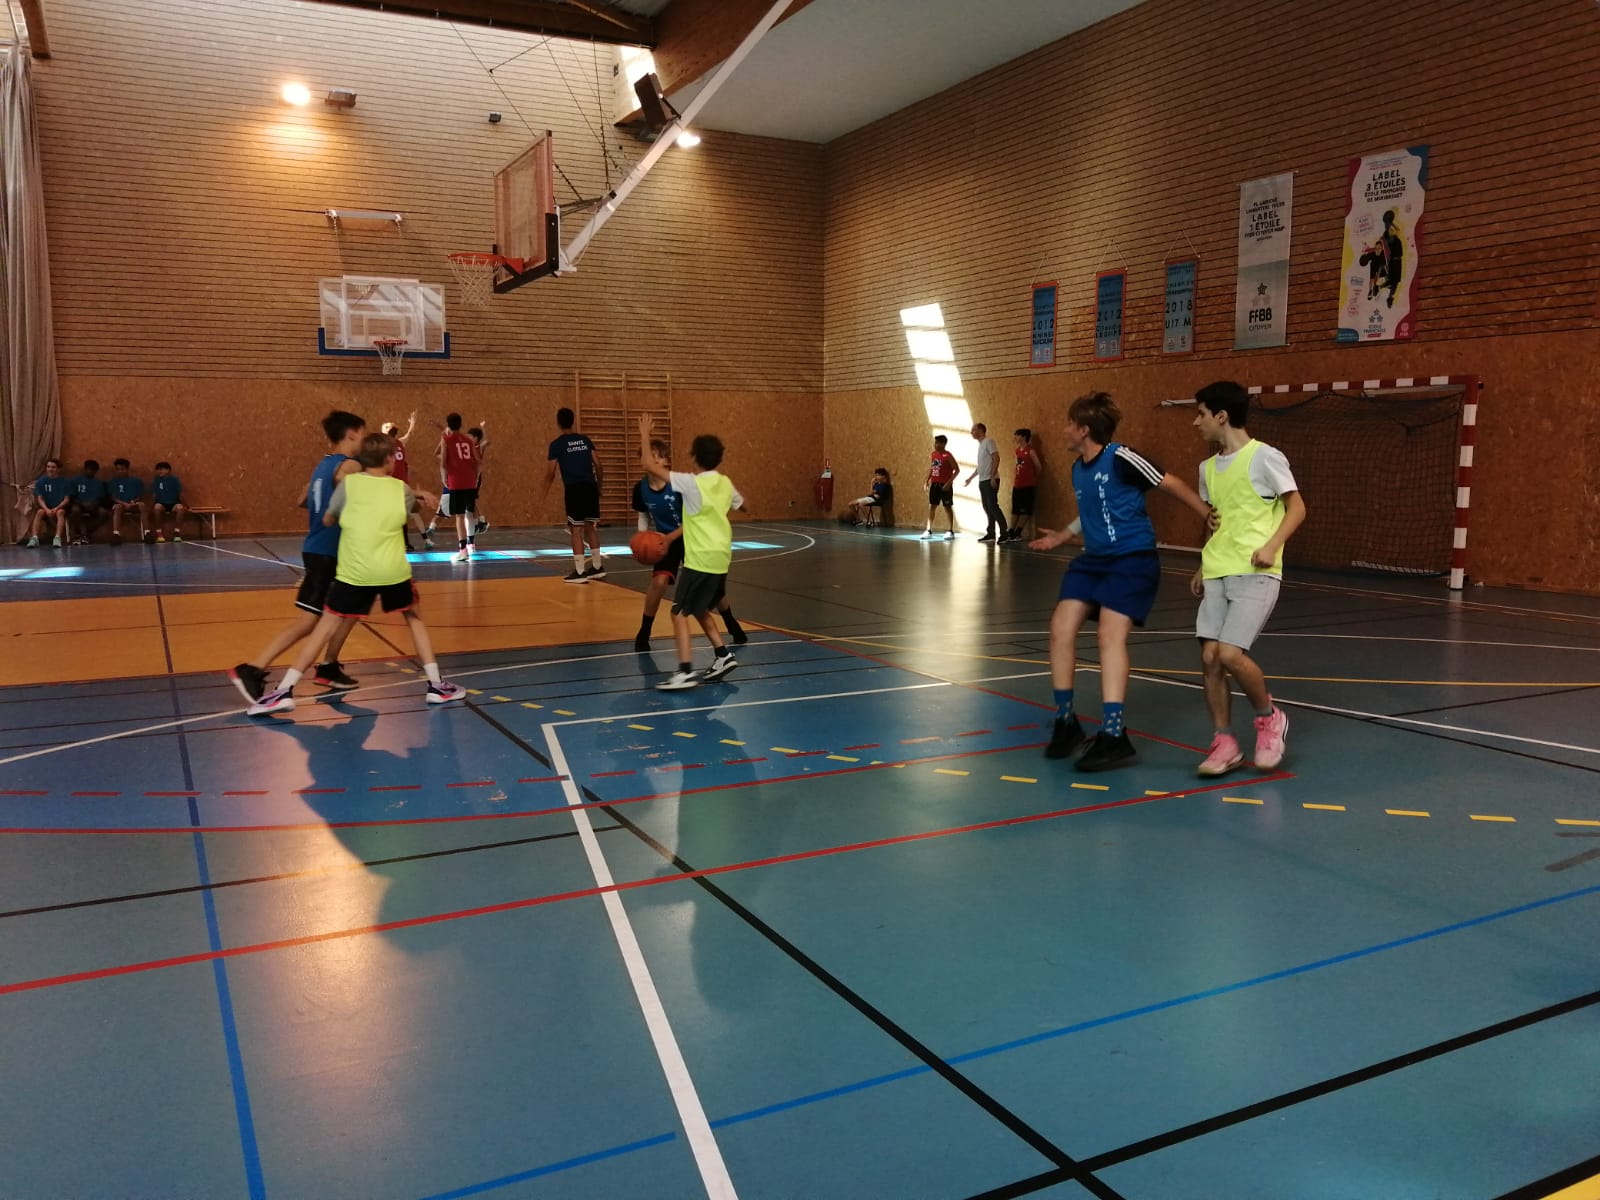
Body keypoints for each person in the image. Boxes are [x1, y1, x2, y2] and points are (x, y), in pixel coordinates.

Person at [1029, 391, 1213, 772]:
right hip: (1093, 562)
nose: (1064, 429)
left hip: (1132, 559)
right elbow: (1093, 509)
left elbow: (1169, 483)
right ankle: (1066, 722)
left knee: (1108, 636)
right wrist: (1063, 535)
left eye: (1069, 423)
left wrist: (1206, 514)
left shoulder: (1121, 457)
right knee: (1060, 628)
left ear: (1084, 429)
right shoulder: (1078, 467)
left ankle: (1114, 735)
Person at [248, 430, 465, 714]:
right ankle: (436, 685)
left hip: (354, 572)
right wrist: (419, 495)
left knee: (325, 626)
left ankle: (284, 690)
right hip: (392, 572)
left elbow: (328, 519)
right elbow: (409, 507)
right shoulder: (400, 489)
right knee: (414, 618)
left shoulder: (348, 486)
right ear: (389, 459)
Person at [1189, 380, 1306, 775]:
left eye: (1201, 414)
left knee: (1229, 654)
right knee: (1209, 657)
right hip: (1217, 570)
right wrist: (1203, 564)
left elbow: (1297, 508)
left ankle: (1270, 718)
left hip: (1256, 572)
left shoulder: (1265, 457)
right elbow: (1218, 522)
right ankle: (1224, 742)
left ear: (1222, 416)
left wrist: (1272, 546)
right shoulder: (1207, 469)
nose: (1196, 422)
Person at [229, 411, 367, 705]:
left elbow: (301, 499)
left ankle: (329, 666)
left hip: (324, 549)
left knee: (351, 608)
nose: (364, 440)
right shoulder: (350, 465)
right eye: (363, 434)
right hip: (327, 551)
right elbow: (351, 487)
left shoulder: (322, 465)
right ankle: (252, 668)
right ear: (352, 433)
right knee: (309, 621)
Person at [638, 415, 743, 690]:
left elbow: (648, 464)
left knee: (678, 612)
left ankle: (684, 671)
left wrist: (644, 433)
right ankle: (723, 655)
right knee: (698, 607)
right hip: (722, 557)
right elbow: (740, 503)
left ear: (694, 458)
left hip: (701, 559)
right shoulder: (725, 482)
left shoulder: (690, 483)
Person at [544, 408, 604, 583]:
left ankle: (580, 572)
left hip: (575, 489)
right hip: (590, 486)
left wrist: (544, 490)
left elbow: (550, 472)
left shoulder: (557, 445)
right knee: (590, 527)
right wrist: (599, 486)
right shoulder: (585, 440)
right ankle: (597, 567)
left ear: (558, 422)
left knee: (576, 529)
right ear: (573, 421)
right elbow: (598, 464)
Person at [436, 413, 481, 564]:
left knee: (459, 516)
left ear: (448, 424)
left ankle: (463, 550)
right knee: (470, 513)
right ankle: (471, 543)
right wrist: (476, 477)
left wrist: (443, 477)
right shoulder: (468, 440)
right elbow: (477, 461)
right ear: (461, 424)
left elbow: (443, 462)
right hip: (470, 481)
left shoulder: (447, 439)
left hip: (456, 481)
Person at [380, 411, 428, 551]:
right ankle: (405, 542)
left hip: (391, 483)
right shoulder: (400, 442)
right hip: (402, 484)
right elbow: (409, 434)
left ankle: (395, 541)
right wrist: (412, 424)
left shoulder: (384, 447)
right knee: (401, 514)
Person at [965, 422, 1010, 543]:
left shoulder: (989, 442)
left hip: (990, 479)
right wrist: (970, 478)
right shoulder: (981, 446)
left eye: (974, 430)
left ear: (981, 430)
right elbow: (980, 466)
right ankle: (991, 533)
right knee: (987, 507)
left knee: (993, 506)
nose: (971, 432)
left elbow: (996, 458)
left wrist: (993, 476)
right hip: (982, 480)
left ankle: (1004, 533)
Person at [1003, 428, 1042, 542]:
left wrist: (1032, 478)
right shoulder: (1017, 451)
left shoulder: (1030, 451)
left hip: (1028, 485)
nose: (1015, 437)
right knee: (1015, 510)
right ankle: (1011, 531)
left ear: (1024, 437)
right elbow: (1016, 466)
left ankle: (1018, 532)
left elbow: (1038, 467)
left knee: (1025, 510)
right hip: (1017, 485)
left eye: (1017, 435)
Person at [26, 458, 71, 548]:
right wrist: (46, 509)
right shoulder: (41, 481)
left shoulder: (65, 482)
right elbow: (40, 498)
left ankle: (57, 538)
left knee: (60, 512)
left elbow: (66, 499)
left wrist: (56, 508)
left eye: (53, 467)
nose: (50, 469)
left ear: (58, 469)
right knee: (40, 512)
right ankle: (34, 538)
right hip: (46, 507)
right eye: (48, 467)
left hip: (59, 507)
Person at [922, 434, 959, 539]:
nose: (936, 445)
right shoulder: (934, 454)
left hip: (945, 485)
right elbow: (932, 468)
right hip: (935, 485)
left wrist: (948, 483)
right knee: (932, 506)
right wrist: (927, 480)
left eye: (938, 443)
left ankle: (950, 530)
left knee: (947, 507)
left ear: (943, 444)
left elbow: (957, 470)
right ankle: (928, 530)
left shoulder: (948, 455)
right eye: (935, 442)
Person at [67, 460, 109, 545]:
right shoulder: (75, 481)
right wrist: (82, 504)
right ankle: (78, 533)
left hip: (93, 506)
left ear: (95, 471)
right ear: (84, 469)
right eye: (88, 469)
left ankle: (87, 532)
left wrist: (94, 504)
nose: (90, 471)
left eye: (92, 470)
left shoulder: (99, 483)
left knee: (104, 513)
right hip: (79, 504)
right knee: (75, 510)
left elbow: (100, 498)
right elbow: (72, 497)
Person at [107, 458, 146, 545]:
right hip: (121, 505)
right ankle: (116, 534)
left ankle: (147, 533)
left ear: (127, 469)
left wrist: (133, 501)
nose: (120, 471)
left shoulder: (136, 481)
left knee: (142, 505)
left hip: (133, 505)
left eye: (122, 469)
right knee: (117, 507)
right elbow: (113, 497)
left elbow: (140, 496)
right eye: (118, 469)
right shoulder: (113, 482)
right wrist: (124, 504)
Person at [149, 461, 186, 543]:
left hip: (173, 503)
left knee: (180, 508)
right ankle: (159, 534)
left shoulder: (174, 480)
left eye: (161, 469)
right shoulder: (156, 480)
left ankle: (177, 533)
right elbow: (154, 495)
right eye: (158, 470)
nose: (159, 471)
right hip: (161, 504)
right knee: (157, 508)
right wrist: (151, 507)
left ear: (168, 470)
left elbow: (180, 494)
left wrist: (187, 506)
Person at [470, 423, 491, 536]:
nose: (468, 438)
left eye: (470, 437)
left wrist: (483, 427)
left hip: (476, 477)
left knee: (472, 500)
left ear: (476, 438)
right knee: (471, 501)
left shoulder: (479, 446)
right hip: (469, 477)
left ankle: (482, 521)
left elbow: (487, 441)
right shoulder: (468, 447)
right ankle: (479, 522)